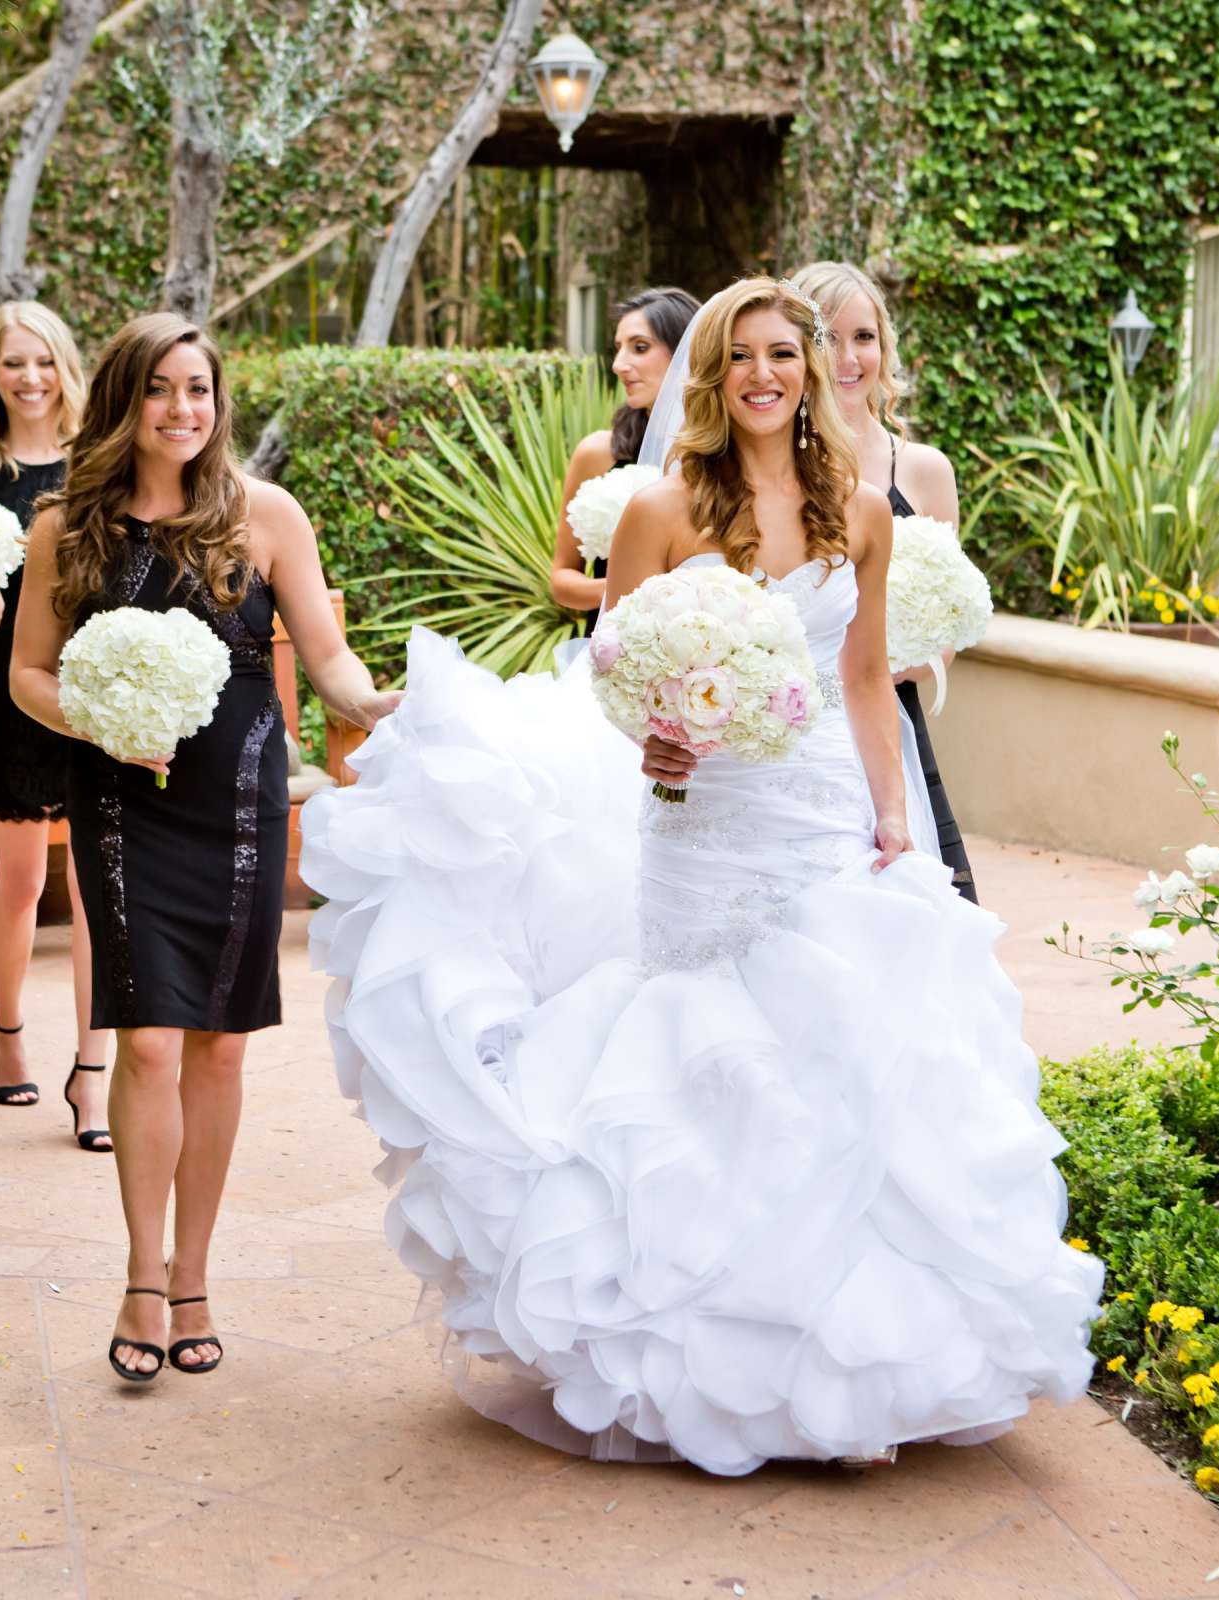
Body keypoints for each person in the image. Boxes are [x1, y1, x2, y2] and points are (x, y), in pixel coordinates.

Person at [301, 278, 1100, 1475]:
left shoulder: (865, 509)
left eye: (787, 355)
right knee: (703, 1050)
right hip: (701, 817)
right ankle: (690, 1351)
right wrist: (655, 738)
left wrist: (896, 815)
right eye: (744, 359)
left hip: (824, 805)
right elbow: (612, 678)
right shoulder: (662, 508)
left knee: (838, 1041)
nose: (766, 375)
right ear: (716, 377)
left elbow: (869, 675)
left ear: (814, 371)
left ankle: (839, 1350)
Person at [10, 312, 397, 1381]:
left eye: (200, 391)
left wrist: (386, 702)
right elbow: (29, 678)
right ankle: (141, 1271)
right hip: (122, 798)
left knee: (221, 1044)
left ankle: (195, 1273)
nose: (184, 410)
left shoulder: (263, 515)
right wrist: (109, 724)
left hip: (237, 803)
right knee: (145, 1041)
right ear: (126, 400)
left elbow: (328, 660)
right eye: (161, 390)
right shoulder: (66, 529)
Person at [0, 301, 112, 1115]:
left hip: (90, 690)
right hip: (10, 693)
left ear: (65, 367)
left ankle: (93, 1073)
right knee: (19, 879)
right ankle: (7, 1032)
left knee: (93, 885)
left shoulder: (100, 464)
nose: (30, 378)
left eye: (43, 361)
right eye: (13, 363)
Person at [790, 259, 979, 902]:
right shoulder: (769, 467)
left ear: (884, 346)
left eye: (863, 337)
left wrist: (914, 662)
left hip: (892, 715)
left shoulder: (923, 470)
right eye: (825, 338)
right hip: (794, 720)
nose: (847, 357)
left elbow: (953, 620)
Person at [551, 287, 699, 634]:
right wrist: (626, 589)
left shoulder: (729, 457)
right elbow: (561, 580)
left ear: (685, 351)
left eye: (640, 347)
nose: (619, 365)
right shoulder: (598, 454)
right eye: (618, 348)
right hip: (612, 646)